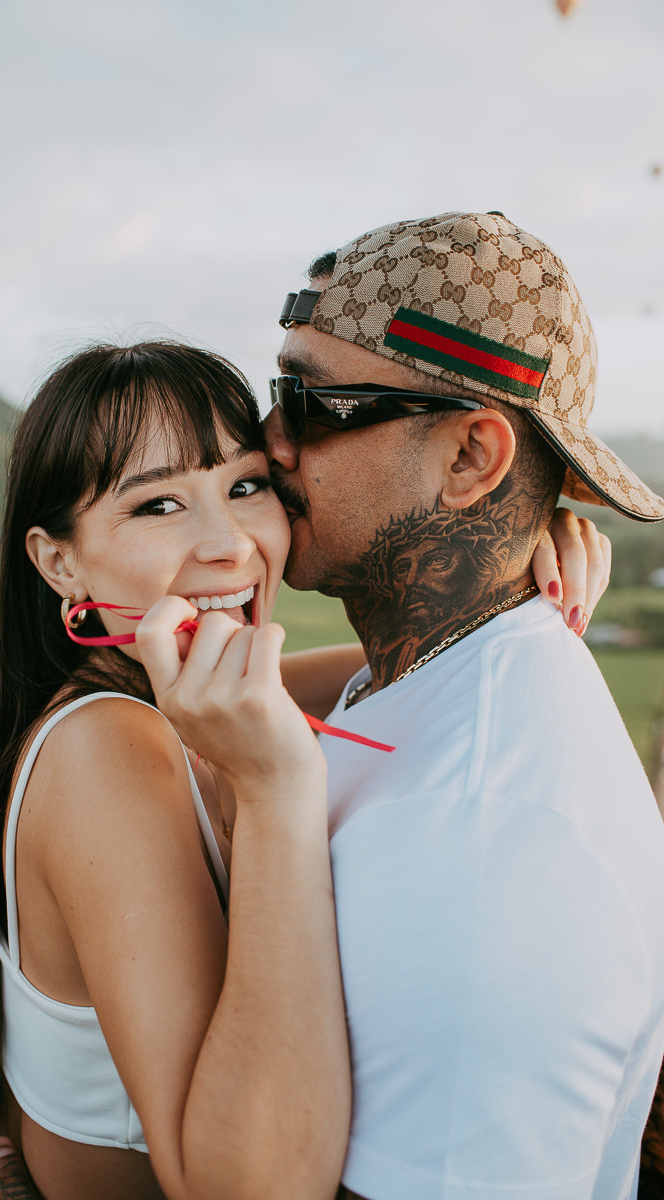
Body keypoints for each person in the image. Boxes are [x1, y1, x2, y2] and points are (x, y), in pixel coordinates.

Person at [261, 210, 664, 1199]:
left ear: (471, 460)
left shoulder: (492, 848)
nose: (265, 442)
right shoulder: (425, 673)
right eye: (272, 391)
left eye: (311, 402)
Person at [0, 341, 354, 1200]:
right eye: (158, 505)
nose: (228, 543)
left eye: (244, 486)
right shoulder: (105, 750)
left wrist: (510, 571)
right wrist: (276, 794)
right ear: (58, 562)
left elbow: (367, 670)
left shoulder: (176, 704)